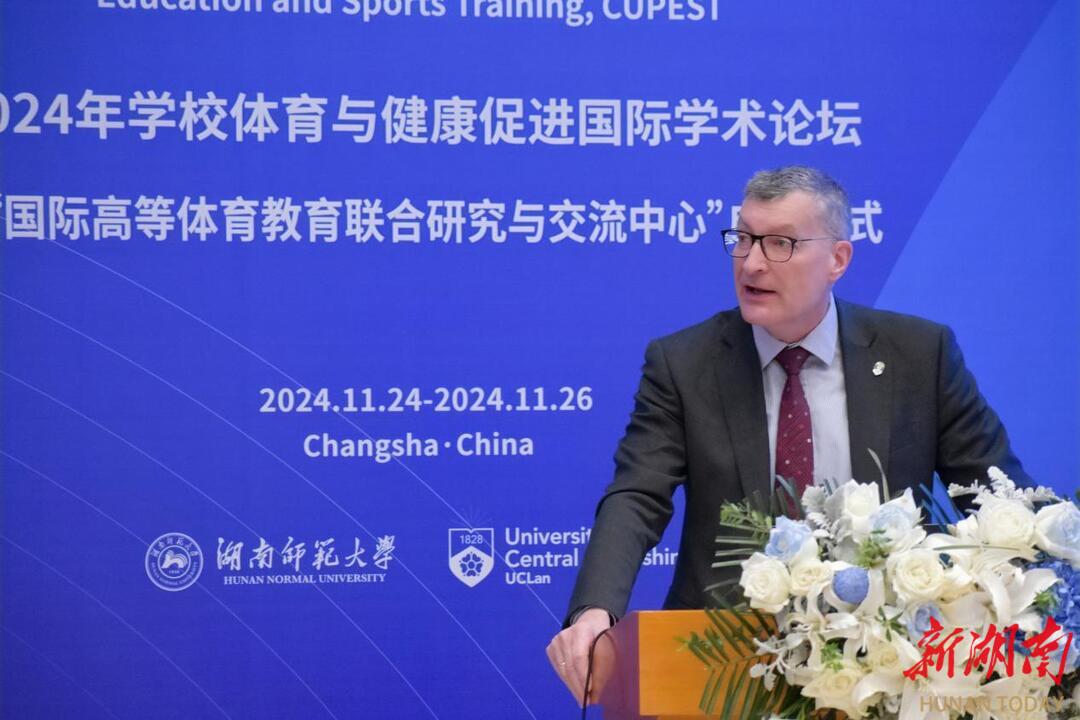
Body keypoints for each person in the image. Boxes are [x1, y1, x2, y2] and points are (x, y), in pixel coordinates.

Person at [544, 166, 1029, 706]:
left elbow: (997, 496)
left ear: (837, 259)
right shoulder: (684, 363)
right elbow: (638, 494)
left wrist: (1042, 593)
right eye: (743, 238)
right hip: (722, 663)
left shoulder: (919, 356)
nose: (751, 262)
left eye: (780, 244)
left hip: (889, 663)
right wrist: (594, 611)